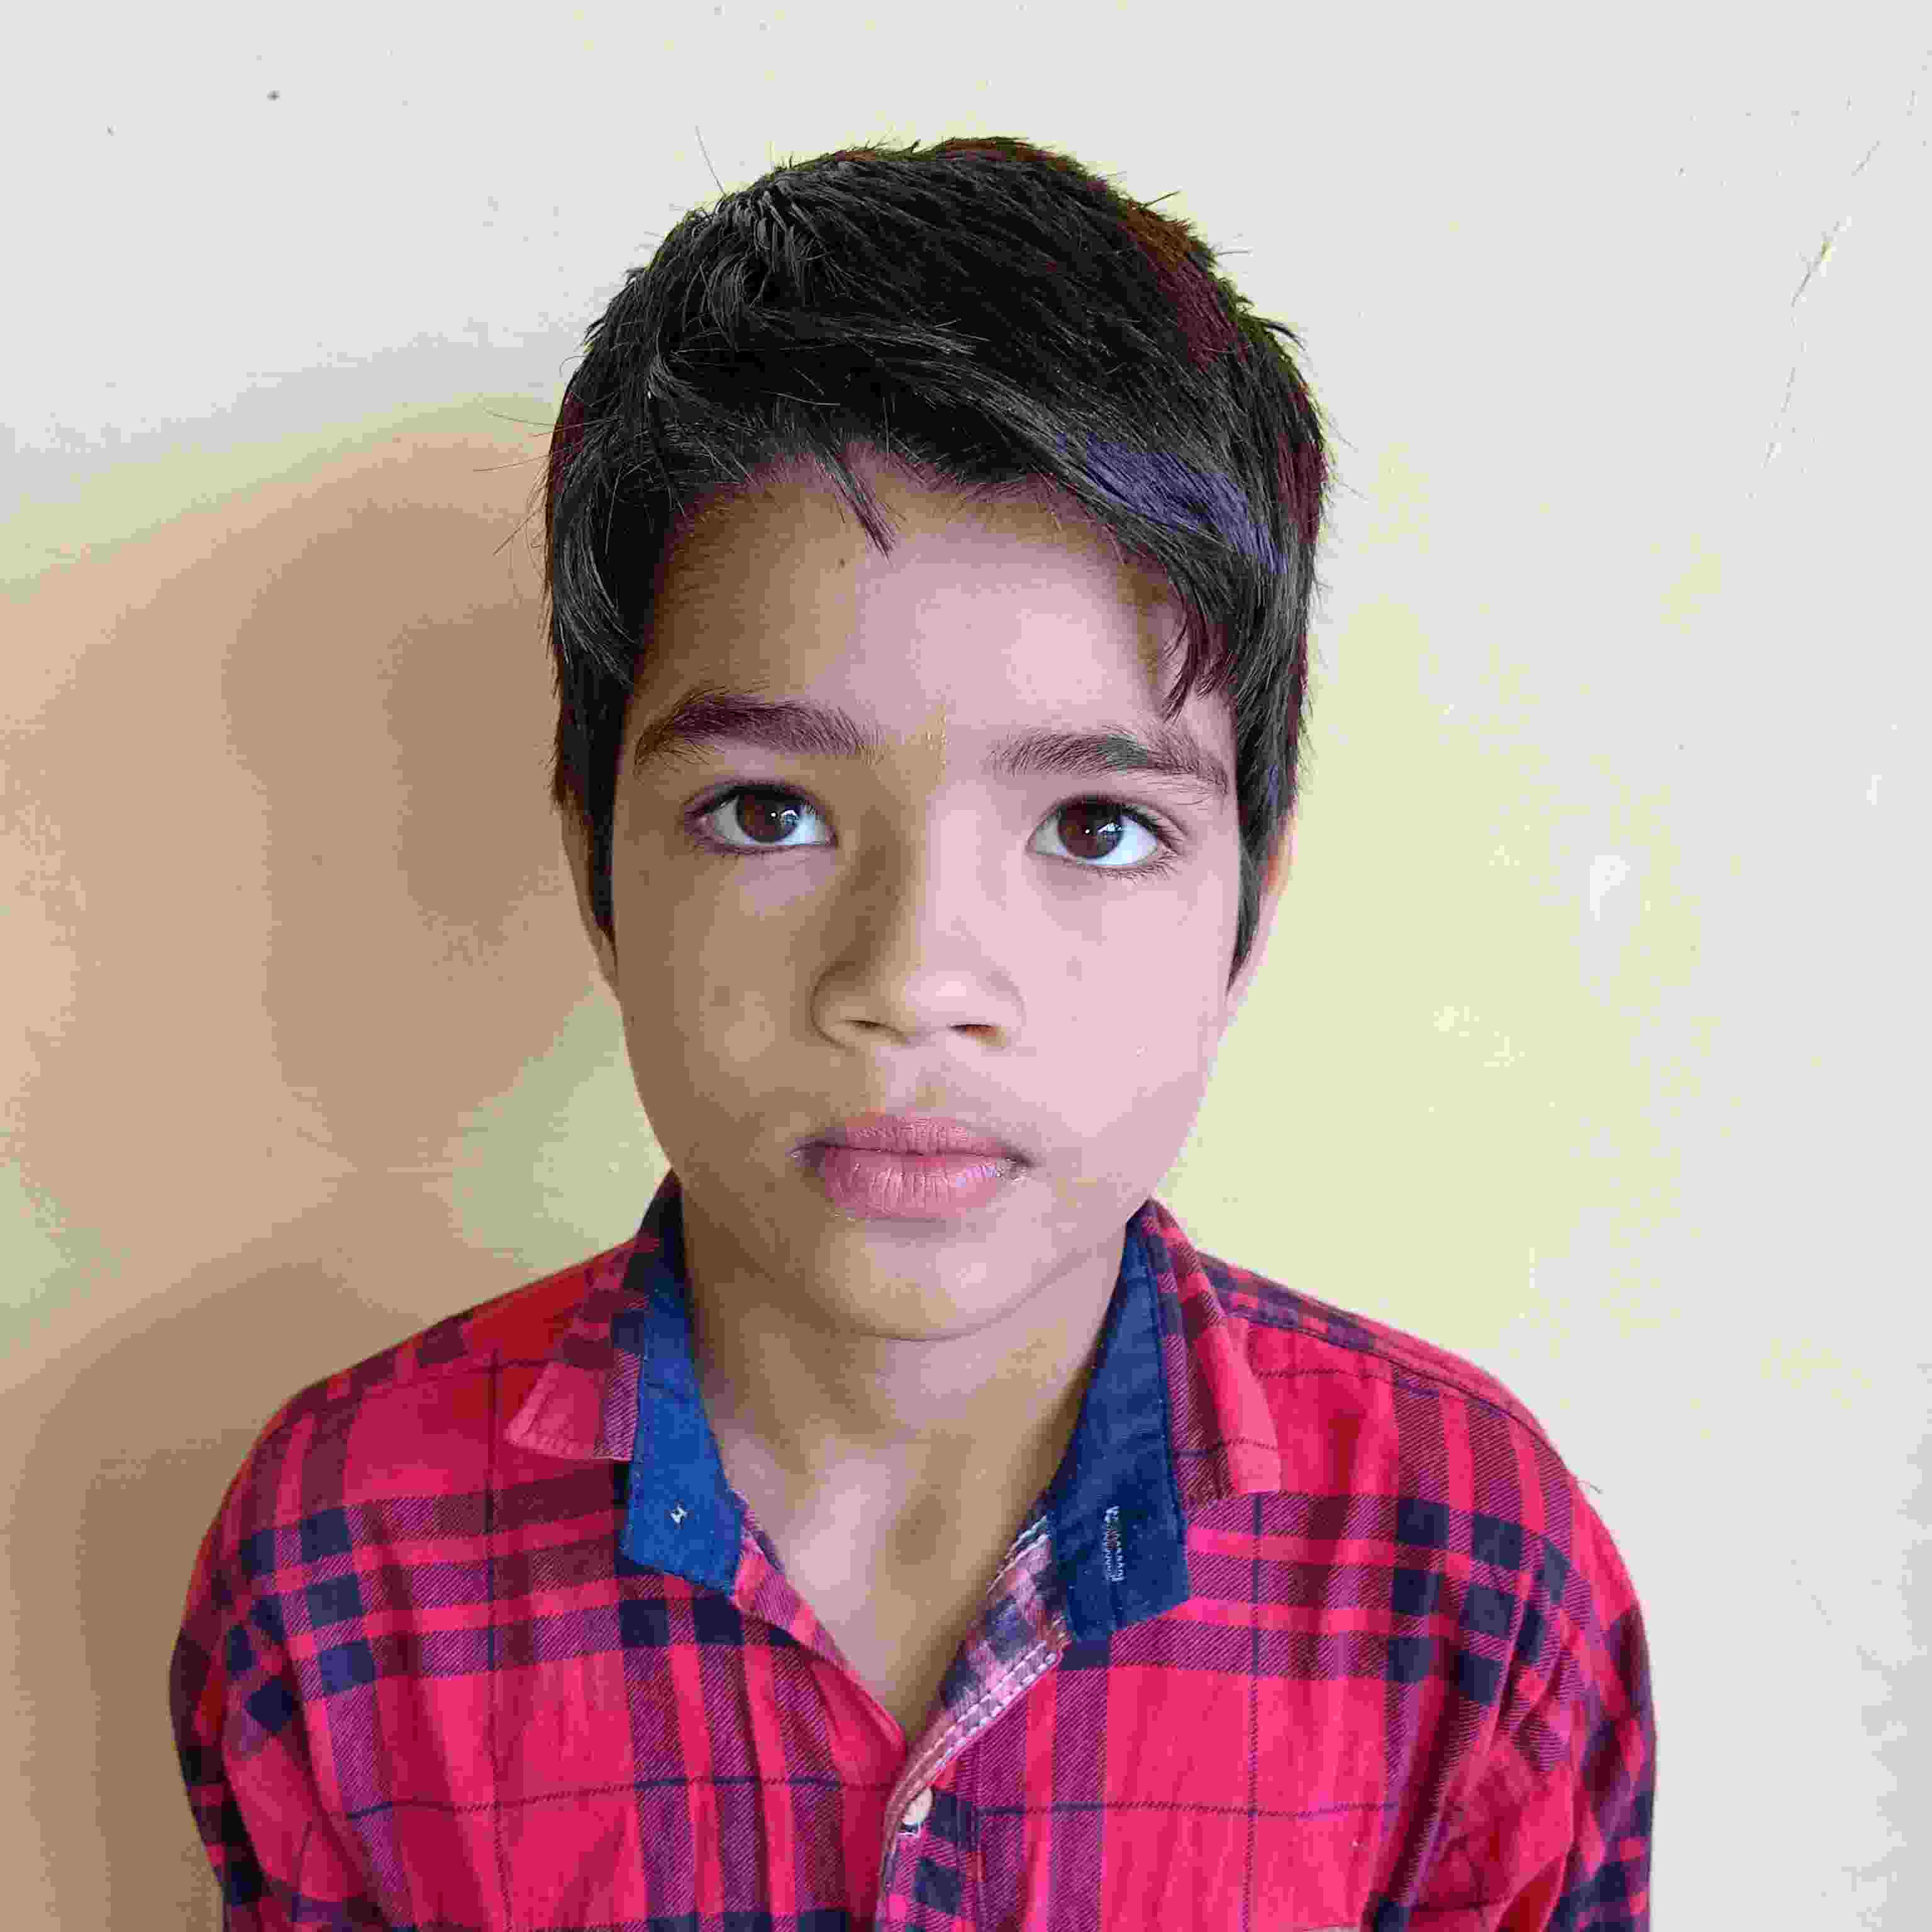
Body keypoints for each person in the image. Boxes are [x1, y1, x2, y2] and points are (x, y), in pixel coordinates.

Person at [169, 133, 1653, 1928]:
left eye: (1096, 827)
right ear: (596, 865)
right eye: (769, 812)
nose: (915, 975)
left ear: (1249, 903)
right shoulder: (341, 1567)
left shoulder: (1470, 1578)